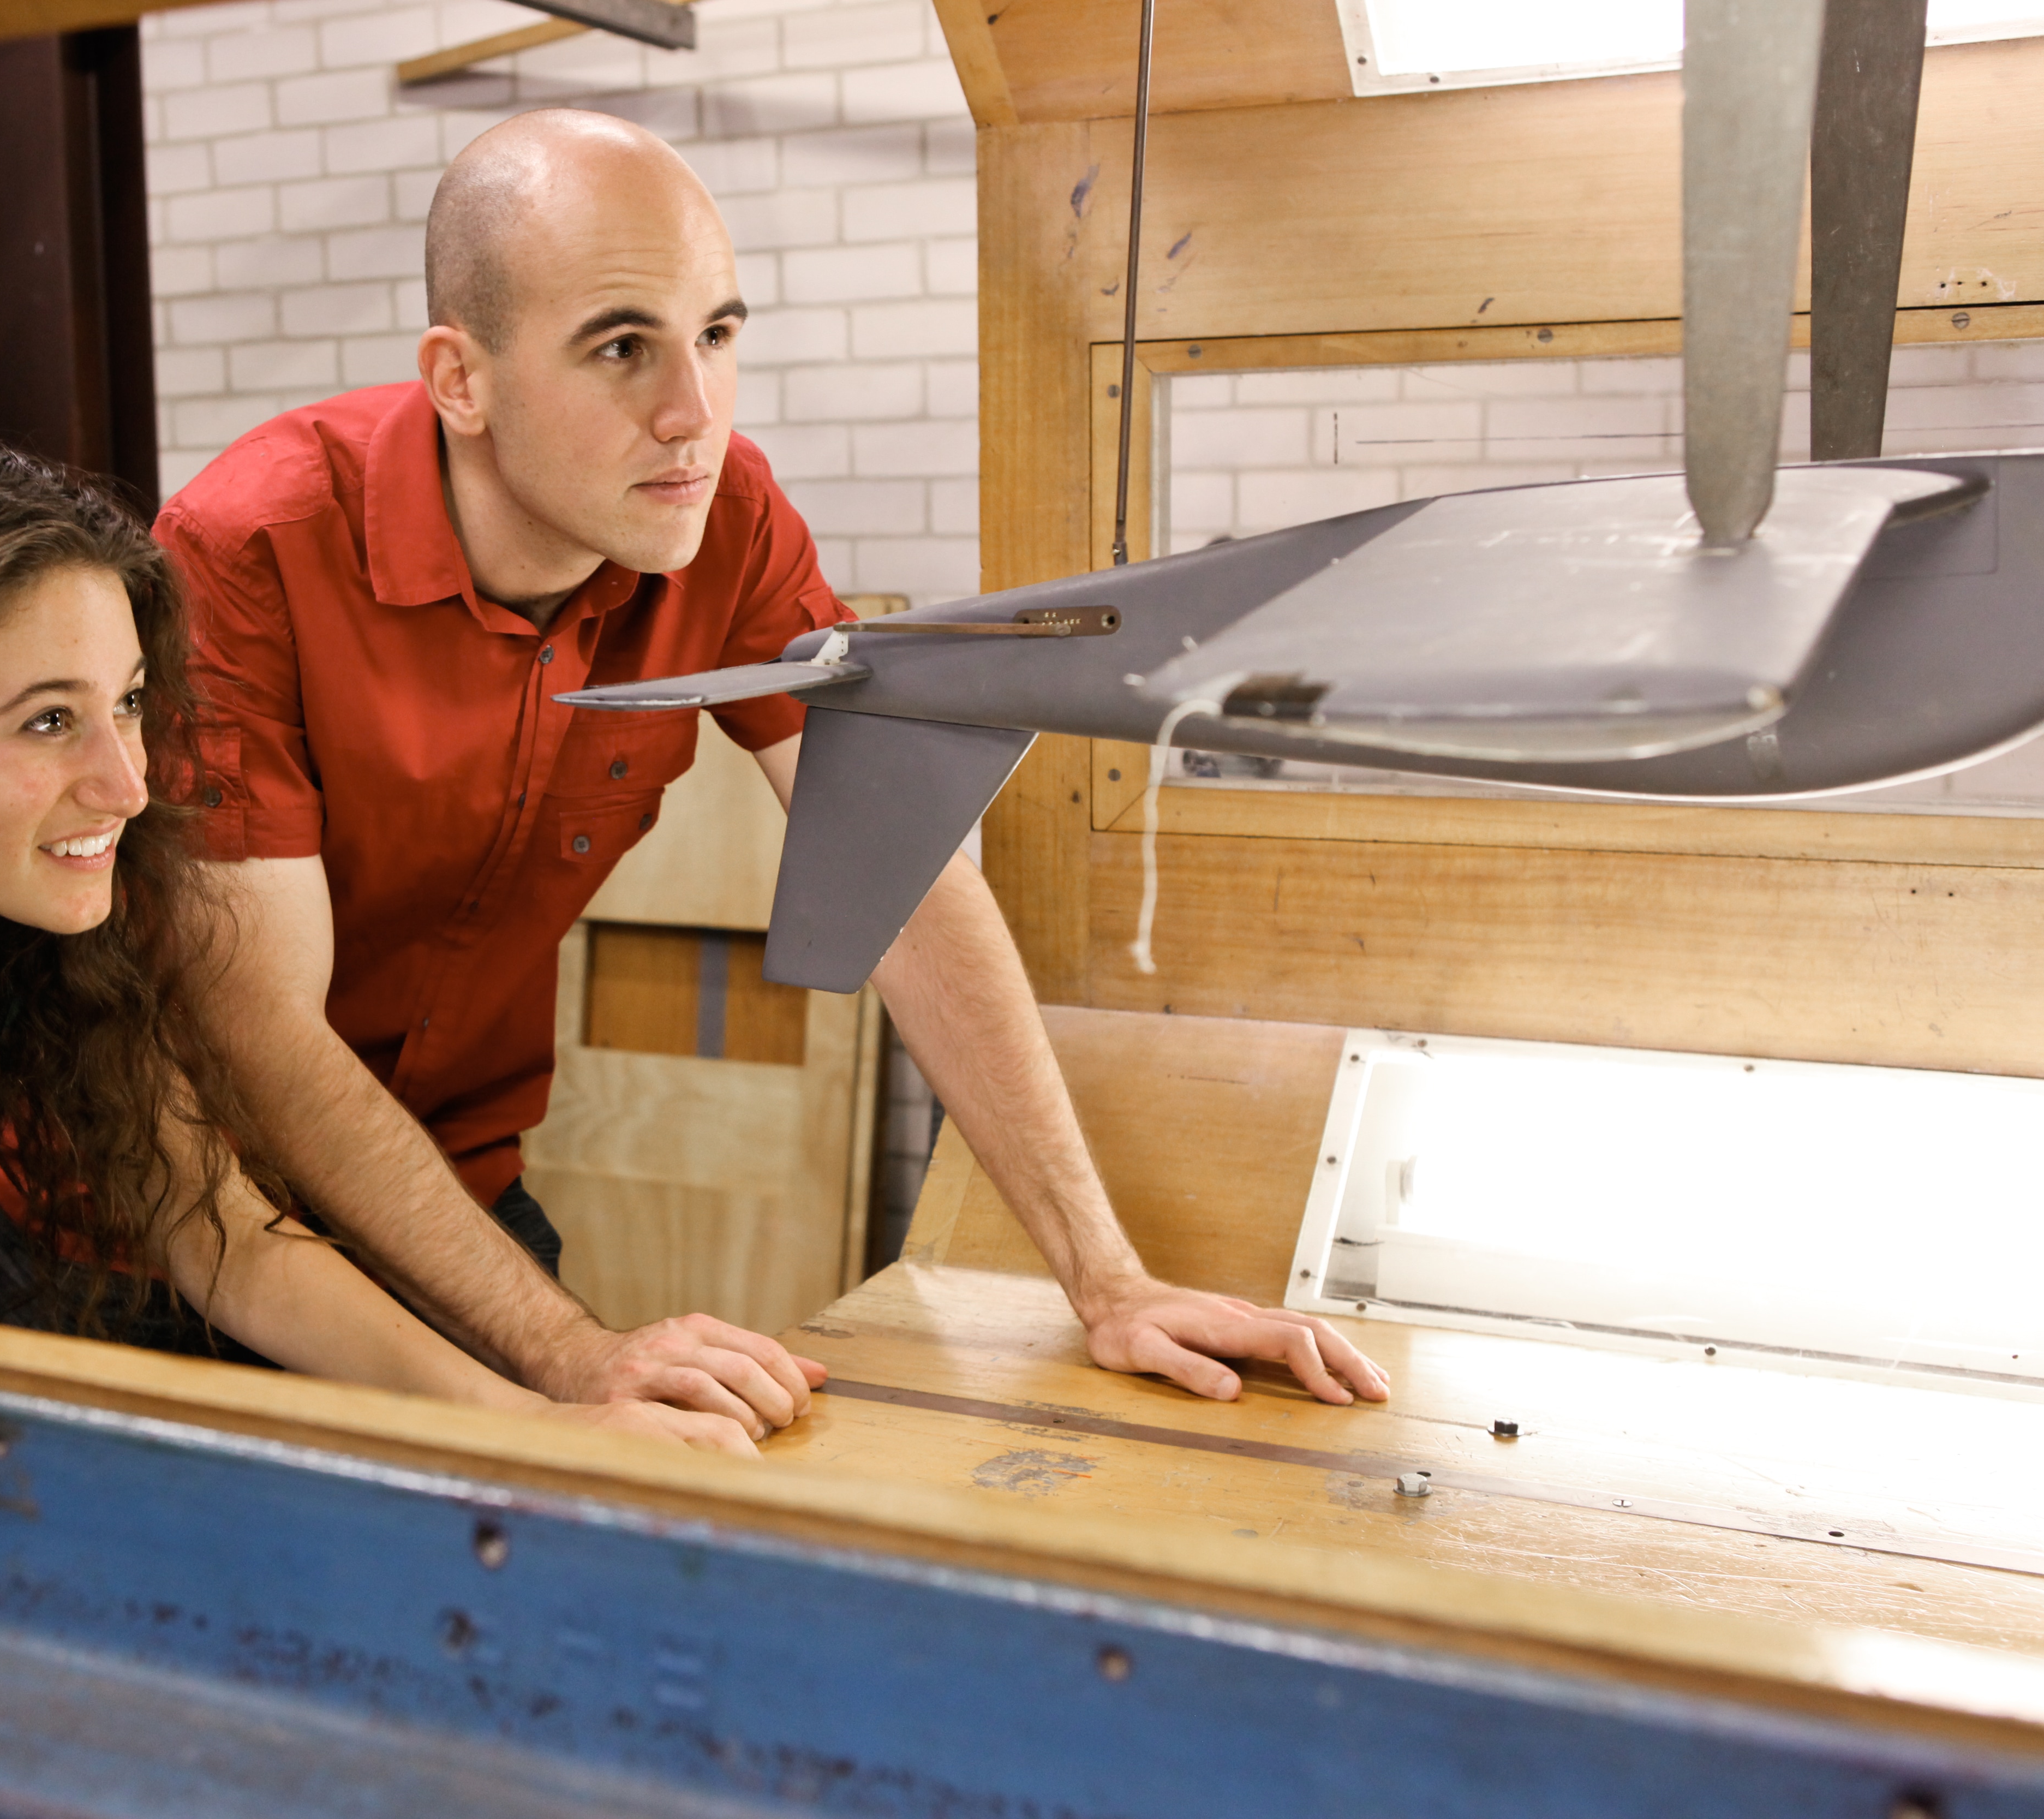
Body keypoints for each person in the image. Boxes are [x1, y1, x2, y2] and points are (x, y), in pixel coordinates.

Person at [154, 109, 1389, 1436]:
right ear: (461, 379)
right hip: (182, 1227)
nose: (692, 412)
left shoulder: (719, 516)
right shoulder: (246, 555)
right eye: (622, 347)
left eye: (718, 335)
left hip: (455, 1187)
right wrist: (570, 1353)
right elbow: (265, 1041)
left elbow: (904, 884)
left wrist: (1107, 1279)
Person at [0, 440, 755, 1455]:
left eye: (127, 703)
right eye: (48, 720)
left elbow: (225, 1230)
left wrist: (546, 1420)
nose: (127, 782)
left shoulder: (3, 930)